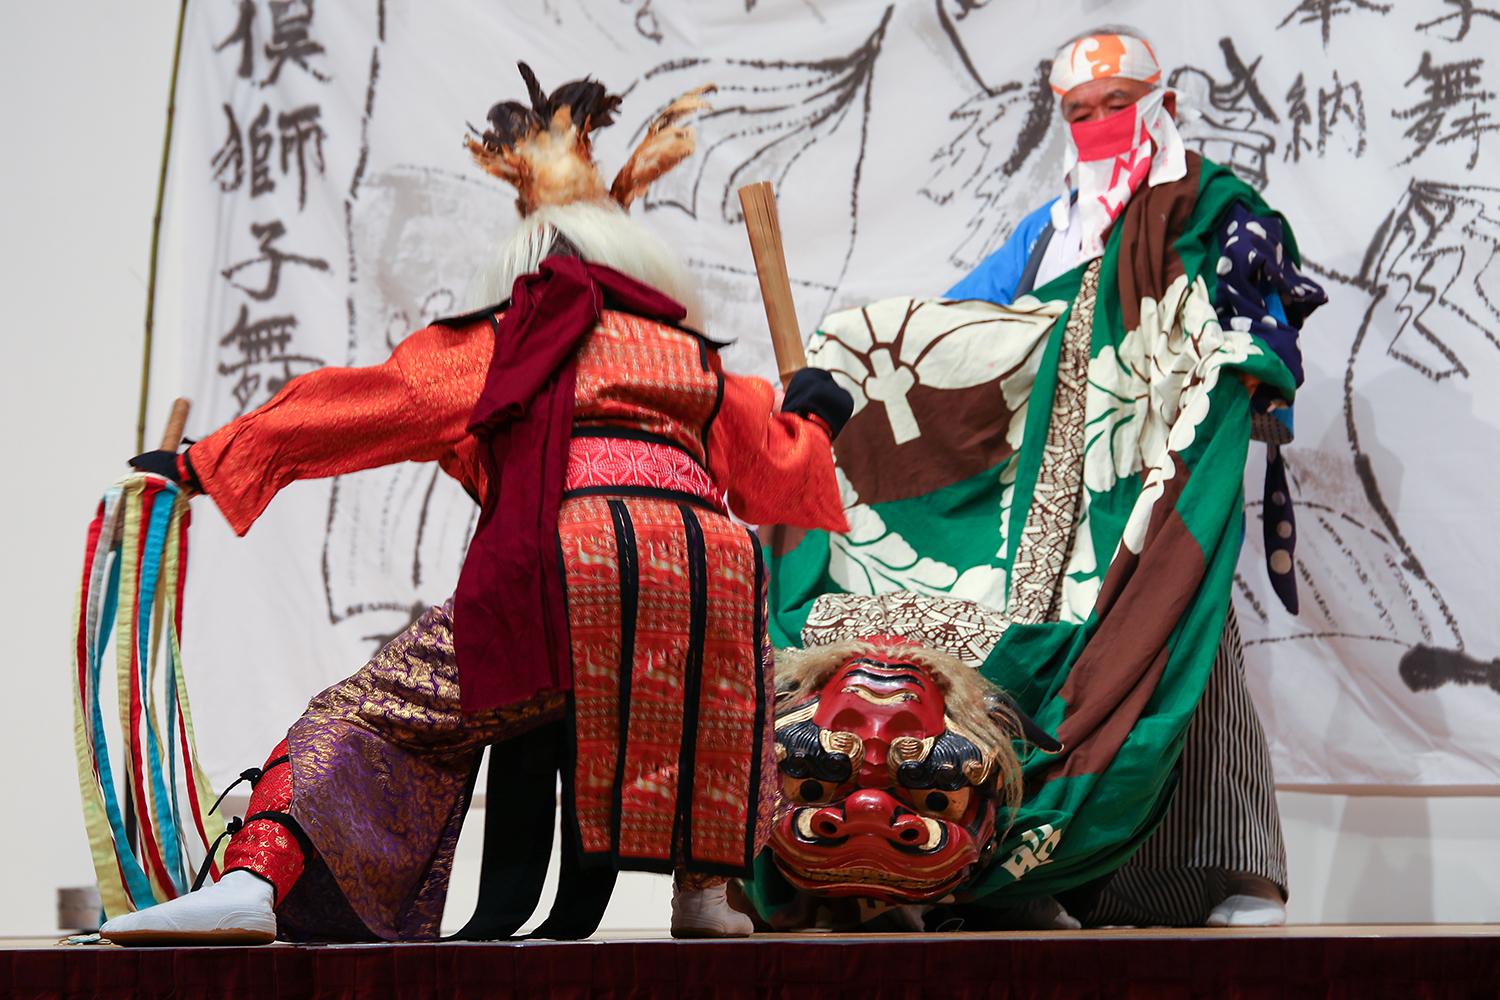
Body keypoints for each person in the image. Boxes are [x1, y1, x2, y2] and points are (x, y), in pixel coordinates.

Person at [100, 66, 852, 946]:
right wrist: (812, 412)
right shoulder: (692, 358)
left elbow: (367, 405)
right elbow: (774, 465)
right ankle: (707, 896)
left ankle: (255, 879)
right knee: (712, 709)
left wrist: (205, 462)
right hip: (709, 574)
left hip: (568, 562)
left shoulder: (514, 337)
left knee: (373, 714)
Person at [944, 27, 1327, 928]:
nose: (1099, 123)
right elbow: (959, 329)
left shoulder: (1214, 210)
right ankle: (1043, 871)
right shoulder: (1046, 236)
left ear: (1164, 103)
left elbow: (1258, 320)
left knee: (1192, 647)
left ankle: (1238, 868)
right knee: (1050, 660)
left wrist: (1248, 377)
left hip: (1164, 474)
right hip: (1057, 496)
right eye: (1079, 111)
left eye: (1117, 104)